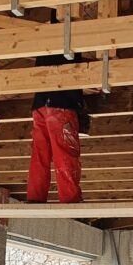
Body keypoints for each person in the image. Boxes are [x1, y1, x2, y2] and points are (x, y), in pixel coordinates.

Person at [27, 50, 86, 204]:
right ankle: (70, 199)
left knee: (40, 153)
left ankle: (35, 197)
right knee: (65, 152)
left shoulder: (46, 41)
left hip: (40, 105)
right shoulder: (72, 41)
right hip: (62, 103)